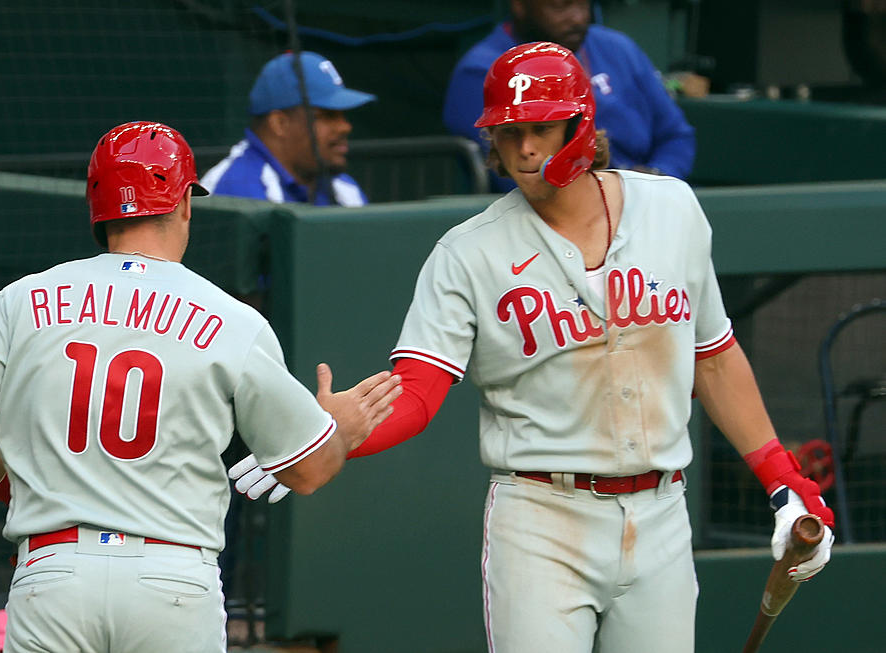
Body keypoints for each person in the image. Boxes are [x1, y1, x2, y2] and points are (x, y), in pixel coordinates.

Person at [231, 43, 834, 652]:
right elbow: (418, 392)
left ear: (581, 123)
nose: (524, 147)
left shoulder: (673, 209)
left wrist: (783, 481)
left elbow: (715, 355)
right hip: (543, 515)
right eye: (509, 131)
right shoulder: (467, 253)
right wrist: (328, 433)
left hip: (661, 512)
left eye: (541, 128)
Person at [0, 121, 401, 653]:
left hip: (53, 573)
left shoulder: (23, 300)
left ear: (97, 207)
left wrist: (18, 491)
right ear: (184, 202)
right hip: (171, 580)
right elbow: (308, 471)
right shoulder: (231, 320)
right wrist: (340, 428)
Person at [443, 0, 696, 191]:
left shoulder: (618, 48)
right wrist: (620, 188)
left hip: (645, 197)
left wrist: (657, 177)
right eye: (560, 6)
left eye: (583, 3)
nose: (578, 18)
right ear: (520, 5)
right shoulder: (486, 71)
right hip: (546, 221)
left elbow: (676, 134)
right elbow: (518, 172)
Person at [201, 51, 375, 206]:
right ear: (280, 124)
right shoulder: (236, 190)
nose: (345, 126)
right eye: (326, 116)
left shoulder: (343, 188)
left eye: (342, 115)